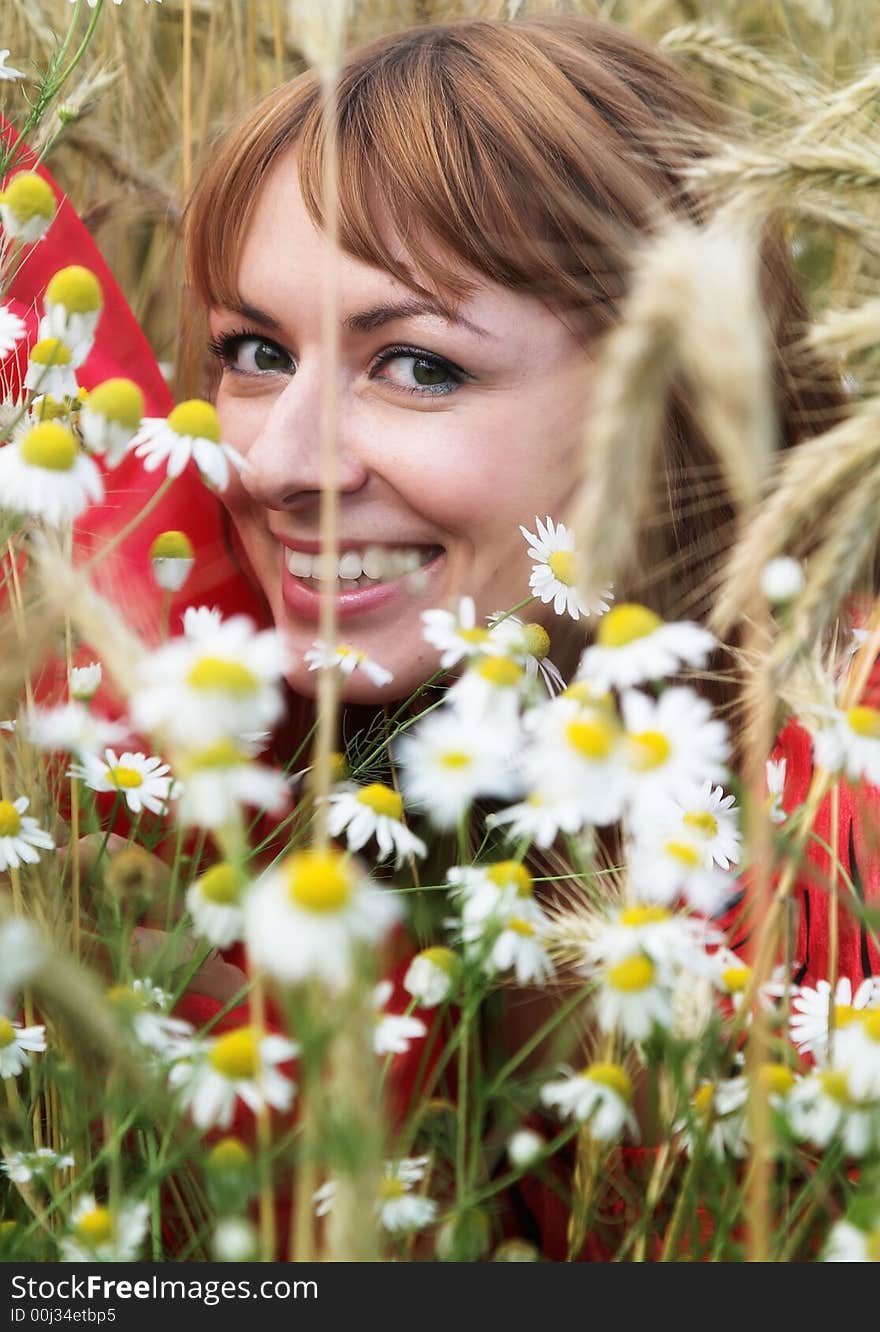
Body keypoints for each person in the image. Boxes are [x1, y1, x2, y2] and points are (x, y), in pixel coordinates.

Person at [3, 14, 862, 1260]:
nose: (278, 464)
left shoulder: (845, 845)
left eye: (417, 365)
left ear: (685, 389)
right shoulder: (282, 772)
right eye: (251, 353)